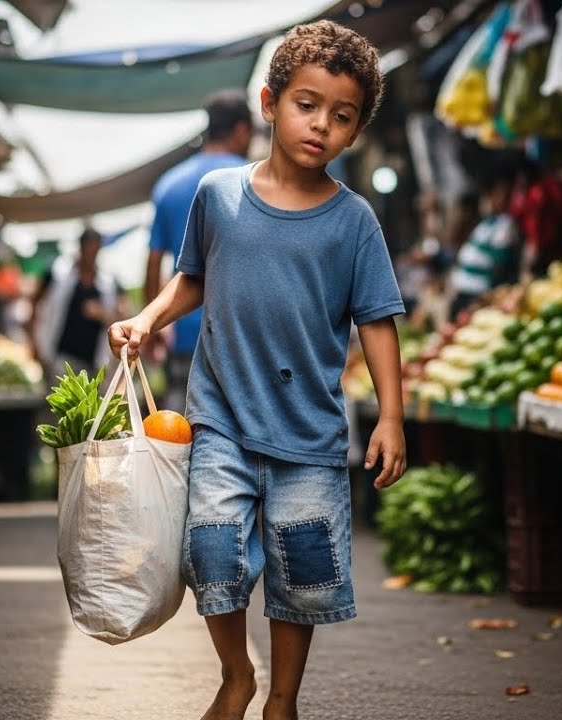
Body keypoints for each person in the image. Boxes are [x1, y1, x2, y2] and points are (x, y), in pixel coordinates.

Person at [108, 20, 406, 720]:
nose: (321, 126)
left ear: (355, 131)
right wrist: (149, 319)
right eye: (307, 105)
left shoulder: (355, 221)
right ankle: (236, 674)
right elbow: (193, 279)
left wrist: (391, 415)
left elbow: (378, 322)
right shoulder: (219, 195)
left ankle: (282, 699)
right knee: (212, 554)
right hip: (221, 420)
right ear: (270, 104)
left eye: (342, 116)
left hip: (309, 433)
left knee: (302, 571)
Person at [145, 89, 253, 412]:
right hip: (240, 335)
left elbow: (153, 263)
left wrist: (153, 326)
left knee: (179, 428)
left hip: (184, 332)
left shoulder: (169, 184)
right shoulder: (254, 181)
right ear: (241, 130)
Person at [28, 228, 124, 377]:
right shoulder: (57, 273)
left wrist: (102, 314)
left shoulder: (107, 284)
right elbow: (35, 303)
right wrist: (34, 342)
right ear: (81, 247)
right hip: (59, 356)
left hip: (93, 362)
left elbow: (122, 317)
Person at [448, 165, 520, 317]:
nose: (493, 199)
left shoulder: (505, 225)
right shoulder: (485, 224)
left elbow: (498, 265)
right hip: (463, 293)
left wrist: (488, 296)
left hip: (478, 297)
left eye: (500, 194)